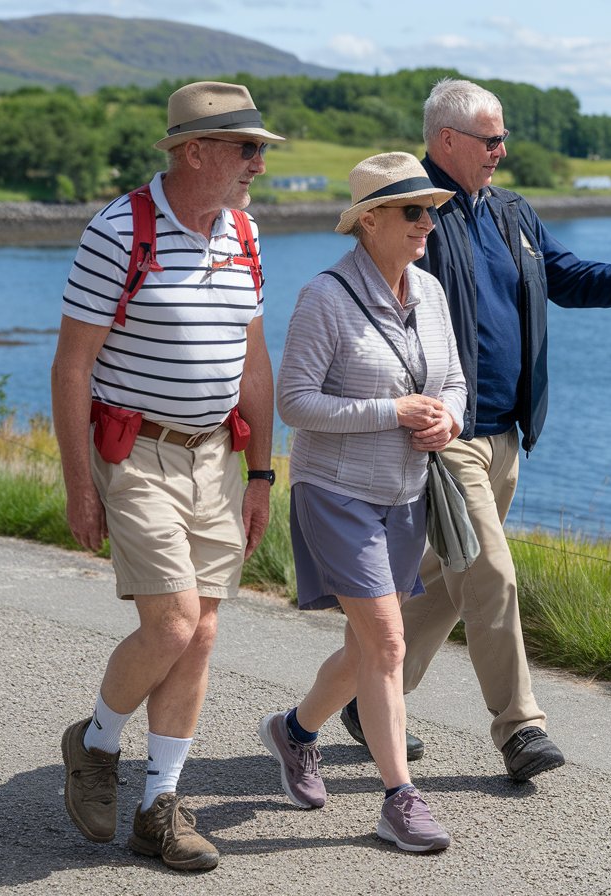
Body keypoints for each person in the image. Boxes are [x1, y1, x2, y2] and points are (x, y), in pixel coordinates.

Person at [341, 78, 611, 783]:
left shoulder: (511, 211)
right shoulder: (411, 212)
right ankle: (520, 730)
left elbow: (567, 277)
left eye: (502, 137)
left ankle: (366, 701)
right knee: (492, 574)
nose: (502, 151)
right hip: (442, 433)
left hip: (506, 435)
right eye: (491, 139)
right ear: (446, 140)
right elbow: (370, 310)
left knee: (449, 585)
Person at [52, 80, 282, 872]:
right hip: (136, 455)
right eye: (246, 148)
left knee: (203, 633)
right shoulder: (118, 232)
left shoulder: (245, 234)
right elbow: (72, 367)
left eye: (259, 150)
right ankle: (95, 741)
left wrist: (261, 474)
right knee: (174, 624)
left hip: (217, 459)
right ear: (195, 152)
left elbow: (254, 363)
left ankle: (159, 807)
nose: (258, 162)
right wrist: (81, 486)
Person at [259, 152, 465, 853]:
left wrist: (449, 420)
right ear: (369, 220)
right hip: (336, 493)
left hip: (407, 495)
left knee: (363, 649)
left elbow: (456, 382)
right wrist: (394, 411)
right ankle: (399, 800)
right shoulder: (324, 296)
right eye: (413, 212)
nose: (427, 225)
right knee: (388, 642)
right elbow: (295, 404)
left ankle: (294, 731)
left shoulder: (431, 293)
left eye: (431, 211)